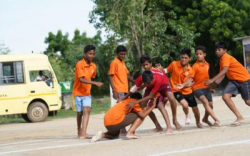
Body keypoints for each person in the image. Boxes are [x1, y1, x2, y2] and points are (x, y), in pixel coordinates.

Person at [205, 41, 250, 126]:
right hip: (234, 81)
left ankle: (240, 117)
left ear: (225, 50)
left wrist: (211, 80)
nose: (217, 51)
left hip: (244, 79)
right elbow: (223, 75)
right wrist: (214, 86)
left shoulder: (226, 57)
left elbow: (224, 70)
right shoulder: (222, 60)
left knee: (248, 101)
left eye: (219, 49)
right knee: (225, 96)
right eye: (216, 50)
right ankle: (239, 117)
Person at [158, 48, 203, 128]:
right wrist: (161, 70)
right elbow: (166, 70)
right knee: (184, 105)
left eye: (185, 58)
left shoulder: (191, 70)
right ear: (180, 57)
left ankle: (198, 122)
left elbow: (190, 80)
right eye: (182, 57)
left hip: (187, 91)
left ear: (189, 59)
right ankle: (187, 115)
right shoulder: (174, 64)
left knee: (195, 109)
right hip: (176, 90)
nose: (183, 59)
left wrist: (183, 85)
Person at [90, 92, 156, 142]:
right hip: (115, 122)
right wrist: (153, 106)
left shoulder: (124, 101)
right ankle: (130, 133)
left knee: (115, 135)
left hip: (107, 124)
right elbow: (143, 115)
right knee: (139, 116)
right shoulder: (133, 101)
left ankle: (102, 135)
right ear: (137, 99)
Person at [72, 45, 104, 139]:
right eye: (90, 53)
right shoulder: (79, 64)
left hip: (87, 94)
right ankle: (79, 130)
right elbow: (81, 79)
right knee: (79, 113)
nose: (92, 56)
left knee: (87, 110)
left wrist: (94, 85)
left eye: (93, 54)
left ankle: (84, 133)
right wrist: (95, 83)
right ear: (84, 54)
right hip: (78, 93)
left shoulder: (93, 66)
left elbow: (91, 77)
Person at [192, 46, 220, 126]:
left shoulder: (207, 64)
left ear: (204, 54)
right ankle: (216, 120)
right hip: (197, 88)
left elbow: (206, 77)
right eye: (197, 54)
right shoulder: (194, 66)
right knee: (205, 101)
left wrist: (211, 87)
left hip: (206, 88)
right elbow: (191, 78)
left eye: (200, 54)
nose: (198, 55)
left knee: (210, 105)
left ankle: (205, 119)